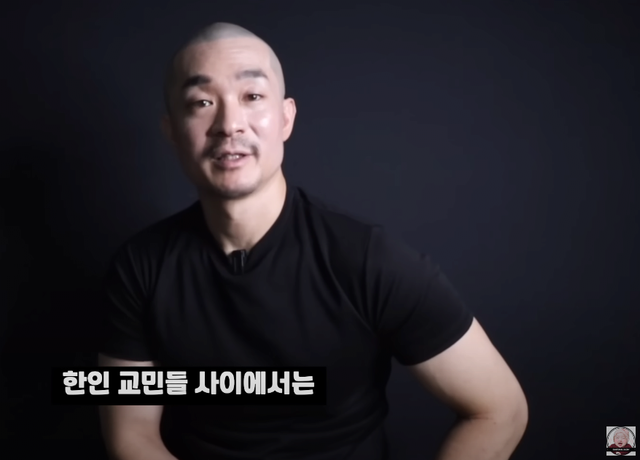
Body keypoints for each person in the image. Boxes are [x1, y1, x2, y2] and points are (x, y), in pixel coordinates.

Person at [97, 21, 528, 460]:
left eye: (252, 97)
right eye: (202, 102)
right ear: (171, 130)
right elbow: (132, 434)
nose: (229, 124)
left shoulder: (367, 261)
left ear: (286, 118)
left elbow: (500, 410)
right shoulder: (140, 268)